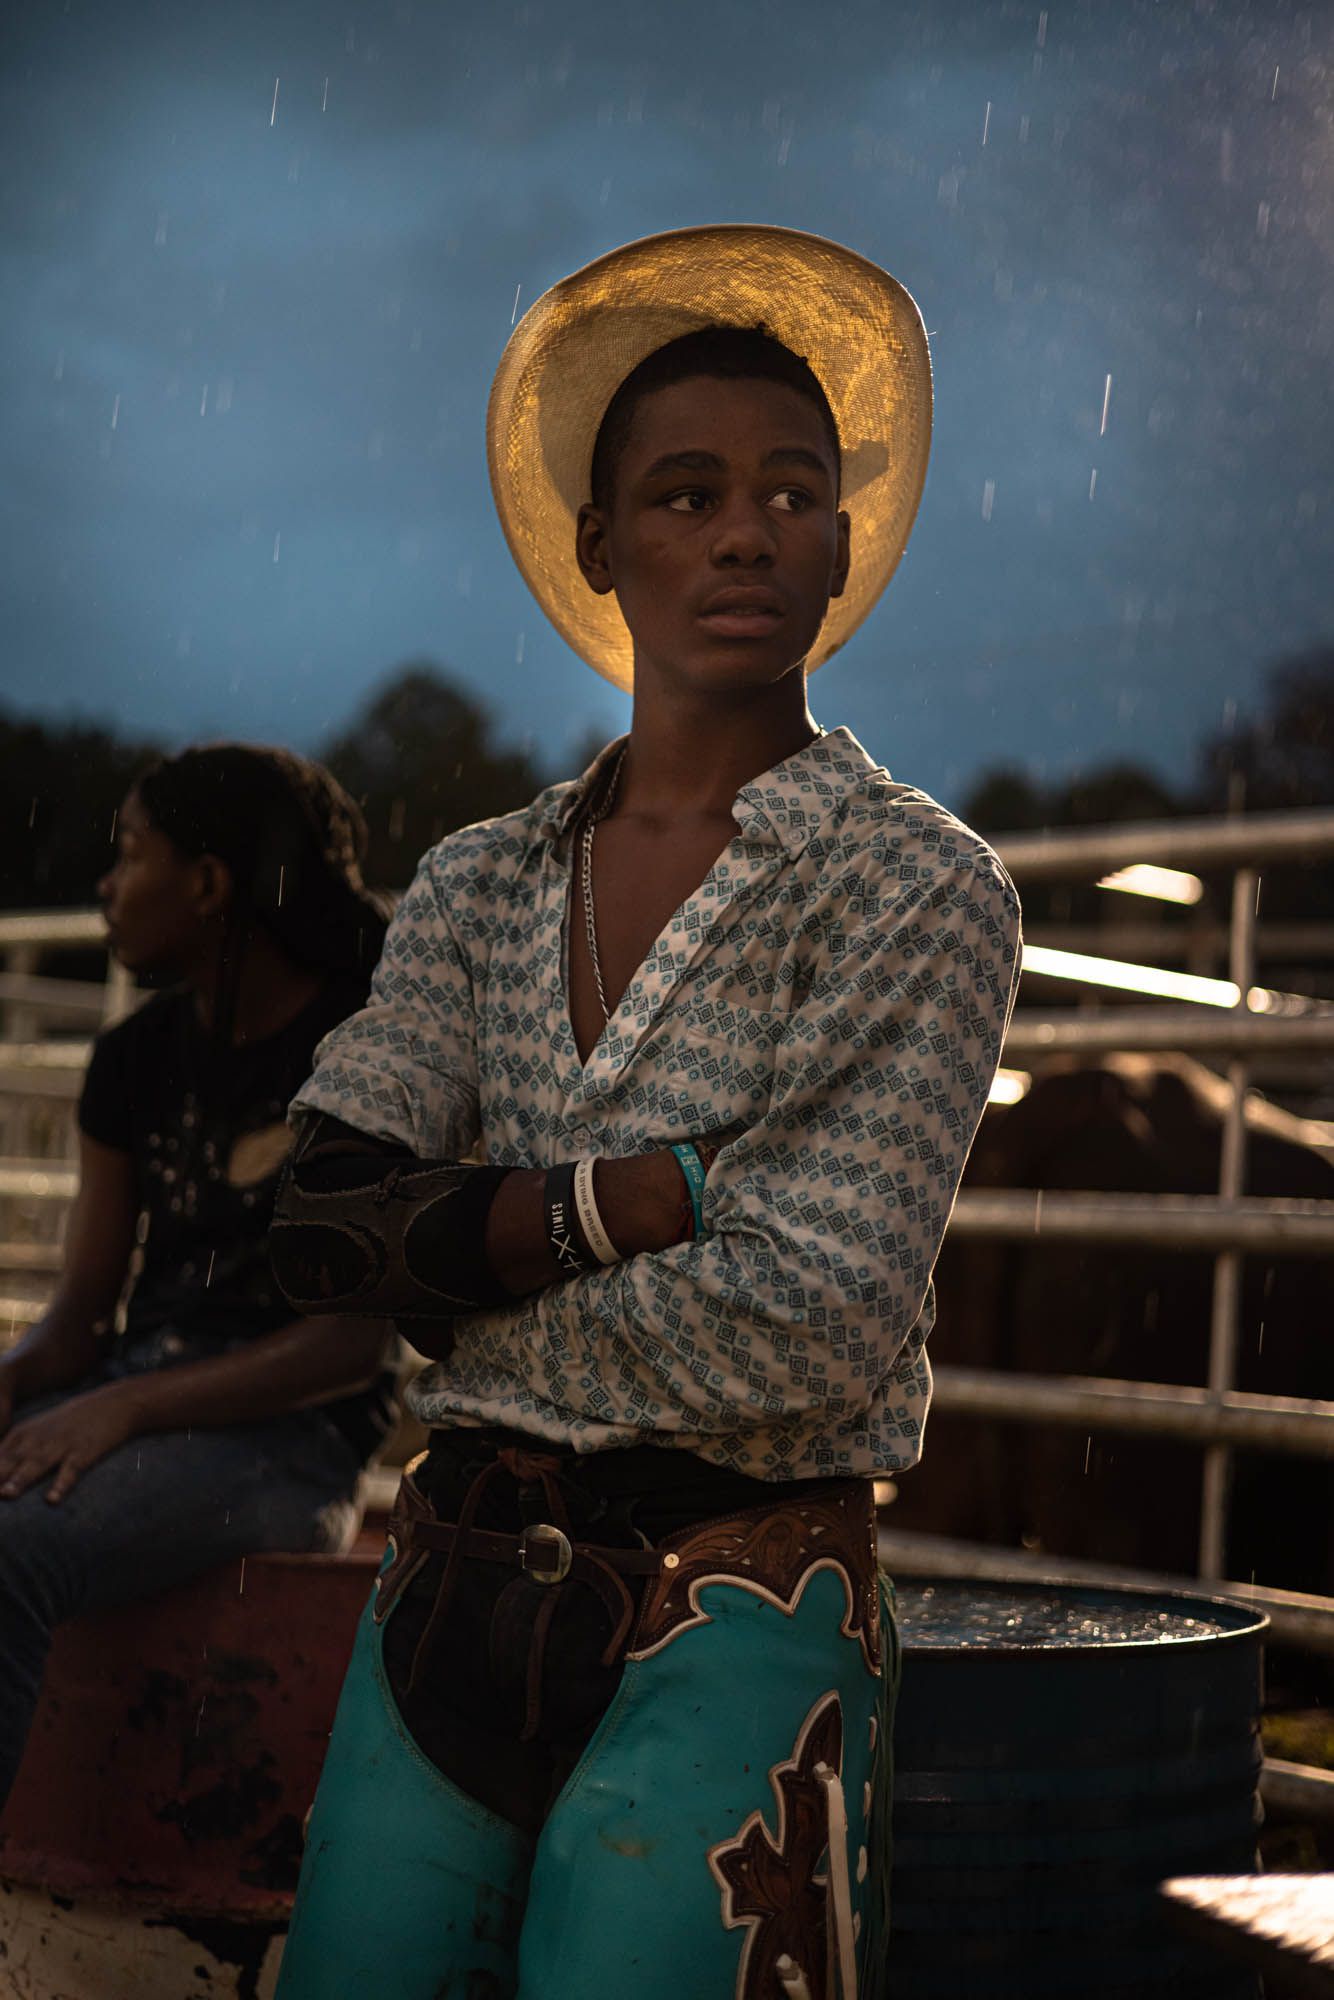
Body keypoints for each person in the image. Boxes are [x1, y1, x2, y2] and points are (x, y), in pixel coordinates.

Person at [271, 226, 1021, 1999]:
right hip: (444, 1588)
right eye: (684, 495)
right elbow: (315, 1225)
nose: (745, 531)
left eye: (789, 490)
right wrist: (634, 1199)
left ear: (842, 536)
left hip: (741, 1600)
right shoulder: (472, 884)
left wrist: (470, 1263)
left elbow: (809, 1315)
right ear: (599, 547)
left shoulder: (917, 888)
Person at [0, 742, 398, 1808]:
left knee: (11, 1550)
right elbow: (79, 1316)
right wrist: (15, 1375)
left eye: (128, 853)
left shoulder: (365, 1051)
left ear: (210, 883)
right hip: (128, 1395)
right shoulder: (132, 1058)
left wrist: (124, 1408)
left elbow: (350, 1345)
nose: (104, 884)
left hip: (286, 1442)